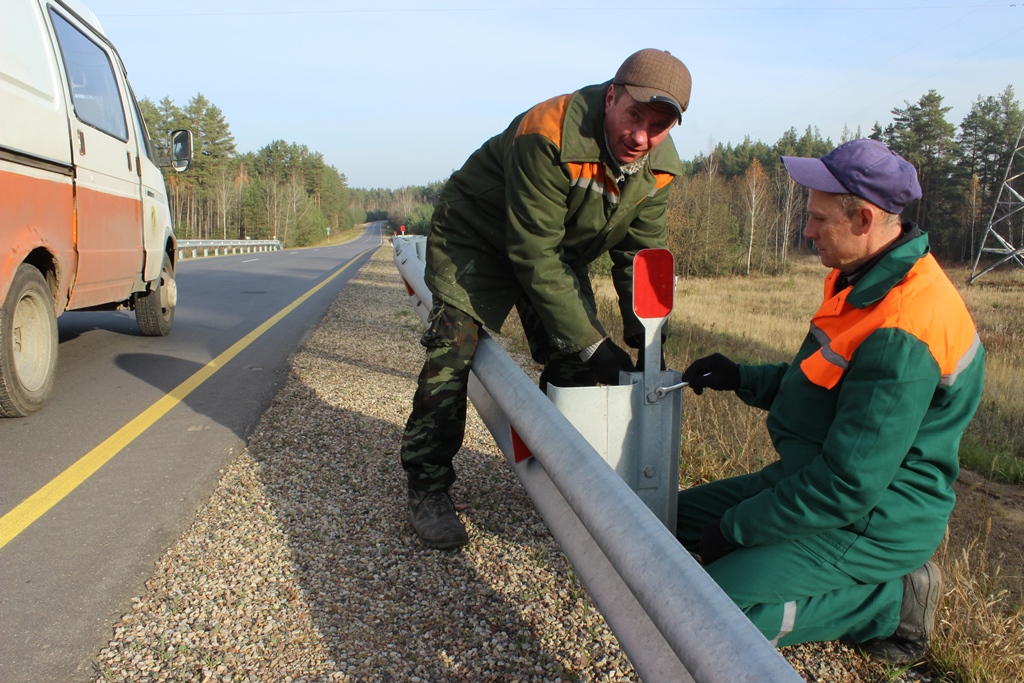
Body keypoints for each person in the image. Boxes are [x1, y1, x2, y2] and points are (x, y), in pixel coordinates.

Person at [677, 138, 984, 664]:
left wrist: (736, 529)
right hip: (815, 476)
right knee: (665, 520)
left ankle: (889, 601)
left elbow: (847, 486)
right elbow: (822, 385)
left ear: (864, 220)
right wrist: (741, 377)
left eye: (819, 219)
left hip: (874, 518)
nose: (807, 230)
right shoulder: (863, 280)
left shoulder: (904, 328)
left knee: (709, 612)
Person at [401, 49, 692, 549]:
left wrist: (647, 345)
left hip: (554, 249)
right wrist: (591, 341)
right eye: (635, 115)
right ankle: (427, 485)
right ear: (612, 97)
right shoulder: (549, 132)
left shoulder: (658, 171)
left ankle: (555, 472)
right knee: (455, 348)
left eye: (659, 126)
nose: (641, 136)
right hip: (480, 237)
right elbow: (530, 252)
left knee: (578, 364)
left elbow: (639, 259)